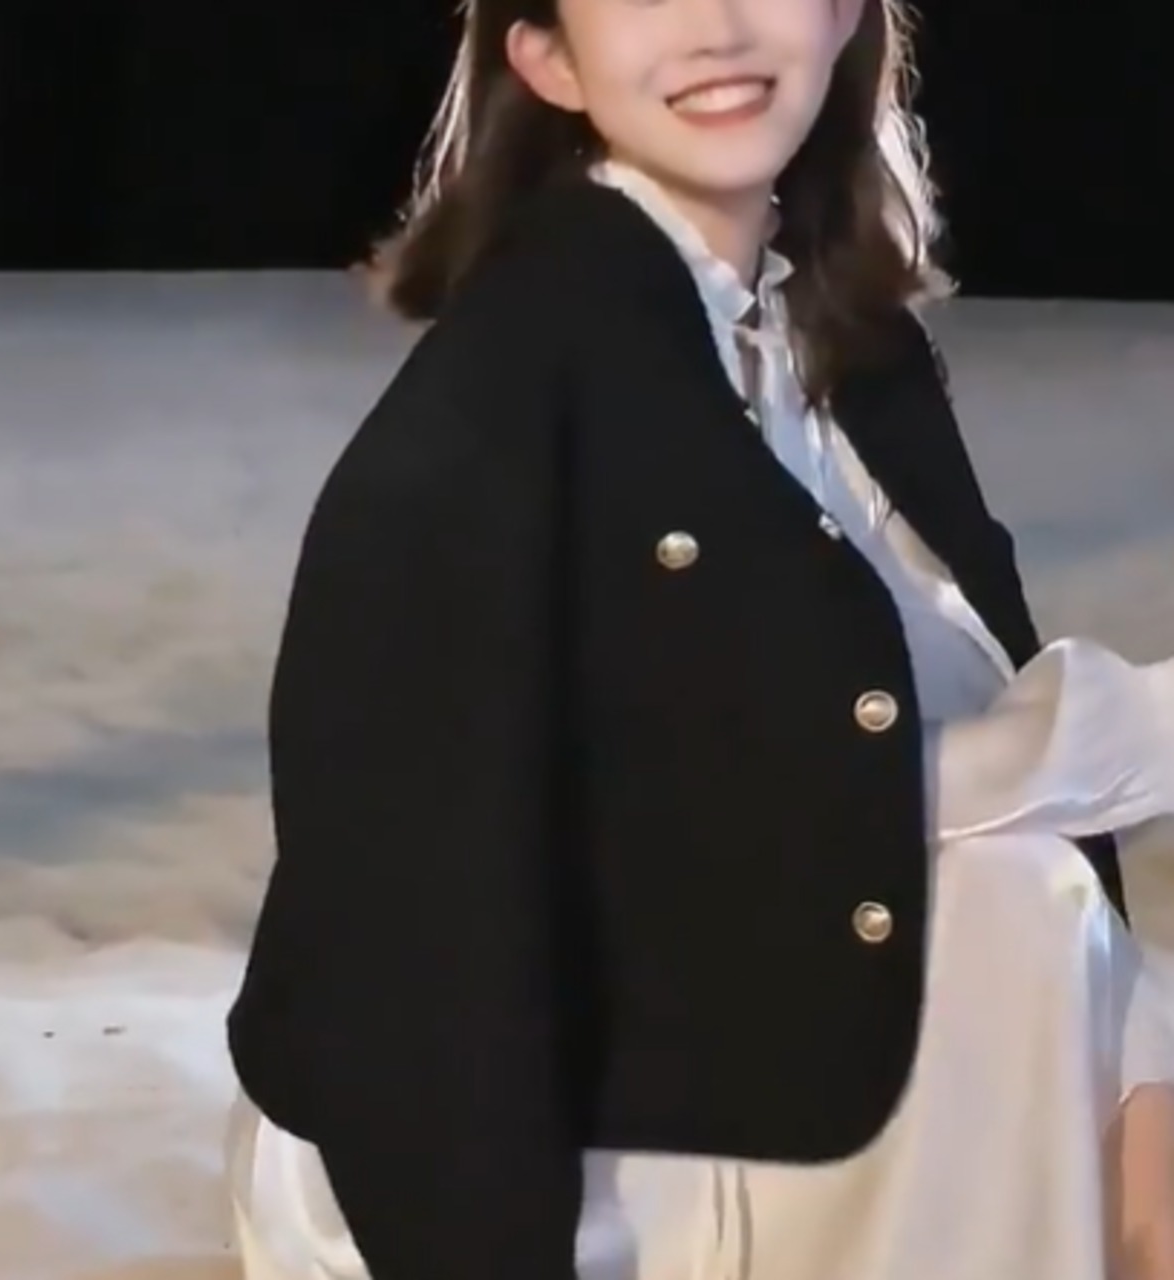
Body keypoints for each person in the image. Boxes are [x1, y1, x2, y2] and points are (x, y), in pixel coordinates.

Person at [223, 1, 1174, 1277]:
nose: (716, 26)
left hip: (737, 984)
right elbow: (411, 904)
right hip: (514, 1133)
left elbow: (915, 713)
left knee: (1054, 939)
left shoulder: (842, 339)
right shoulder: (511, 381)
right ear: (546, 57)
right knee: (1009, 910)